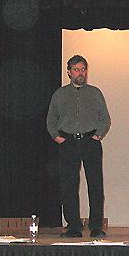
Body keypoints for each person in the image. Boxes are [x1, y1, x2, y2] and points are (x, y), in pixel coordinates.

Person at [46, 55, 111, 238]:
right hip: (68, 142)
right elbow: (51, 119)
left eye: (83, 69)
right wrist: (57, 137)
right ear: (69, 72)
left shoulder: (95, 92)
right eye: (76, 69)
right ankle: (73, 226)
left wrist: (98, 134)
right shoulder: (59, 94)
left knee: (95, 184)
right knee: (69, 185)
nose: (80, 73)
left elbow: (105, 118)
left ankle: (96, 226)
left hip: (90, 141)